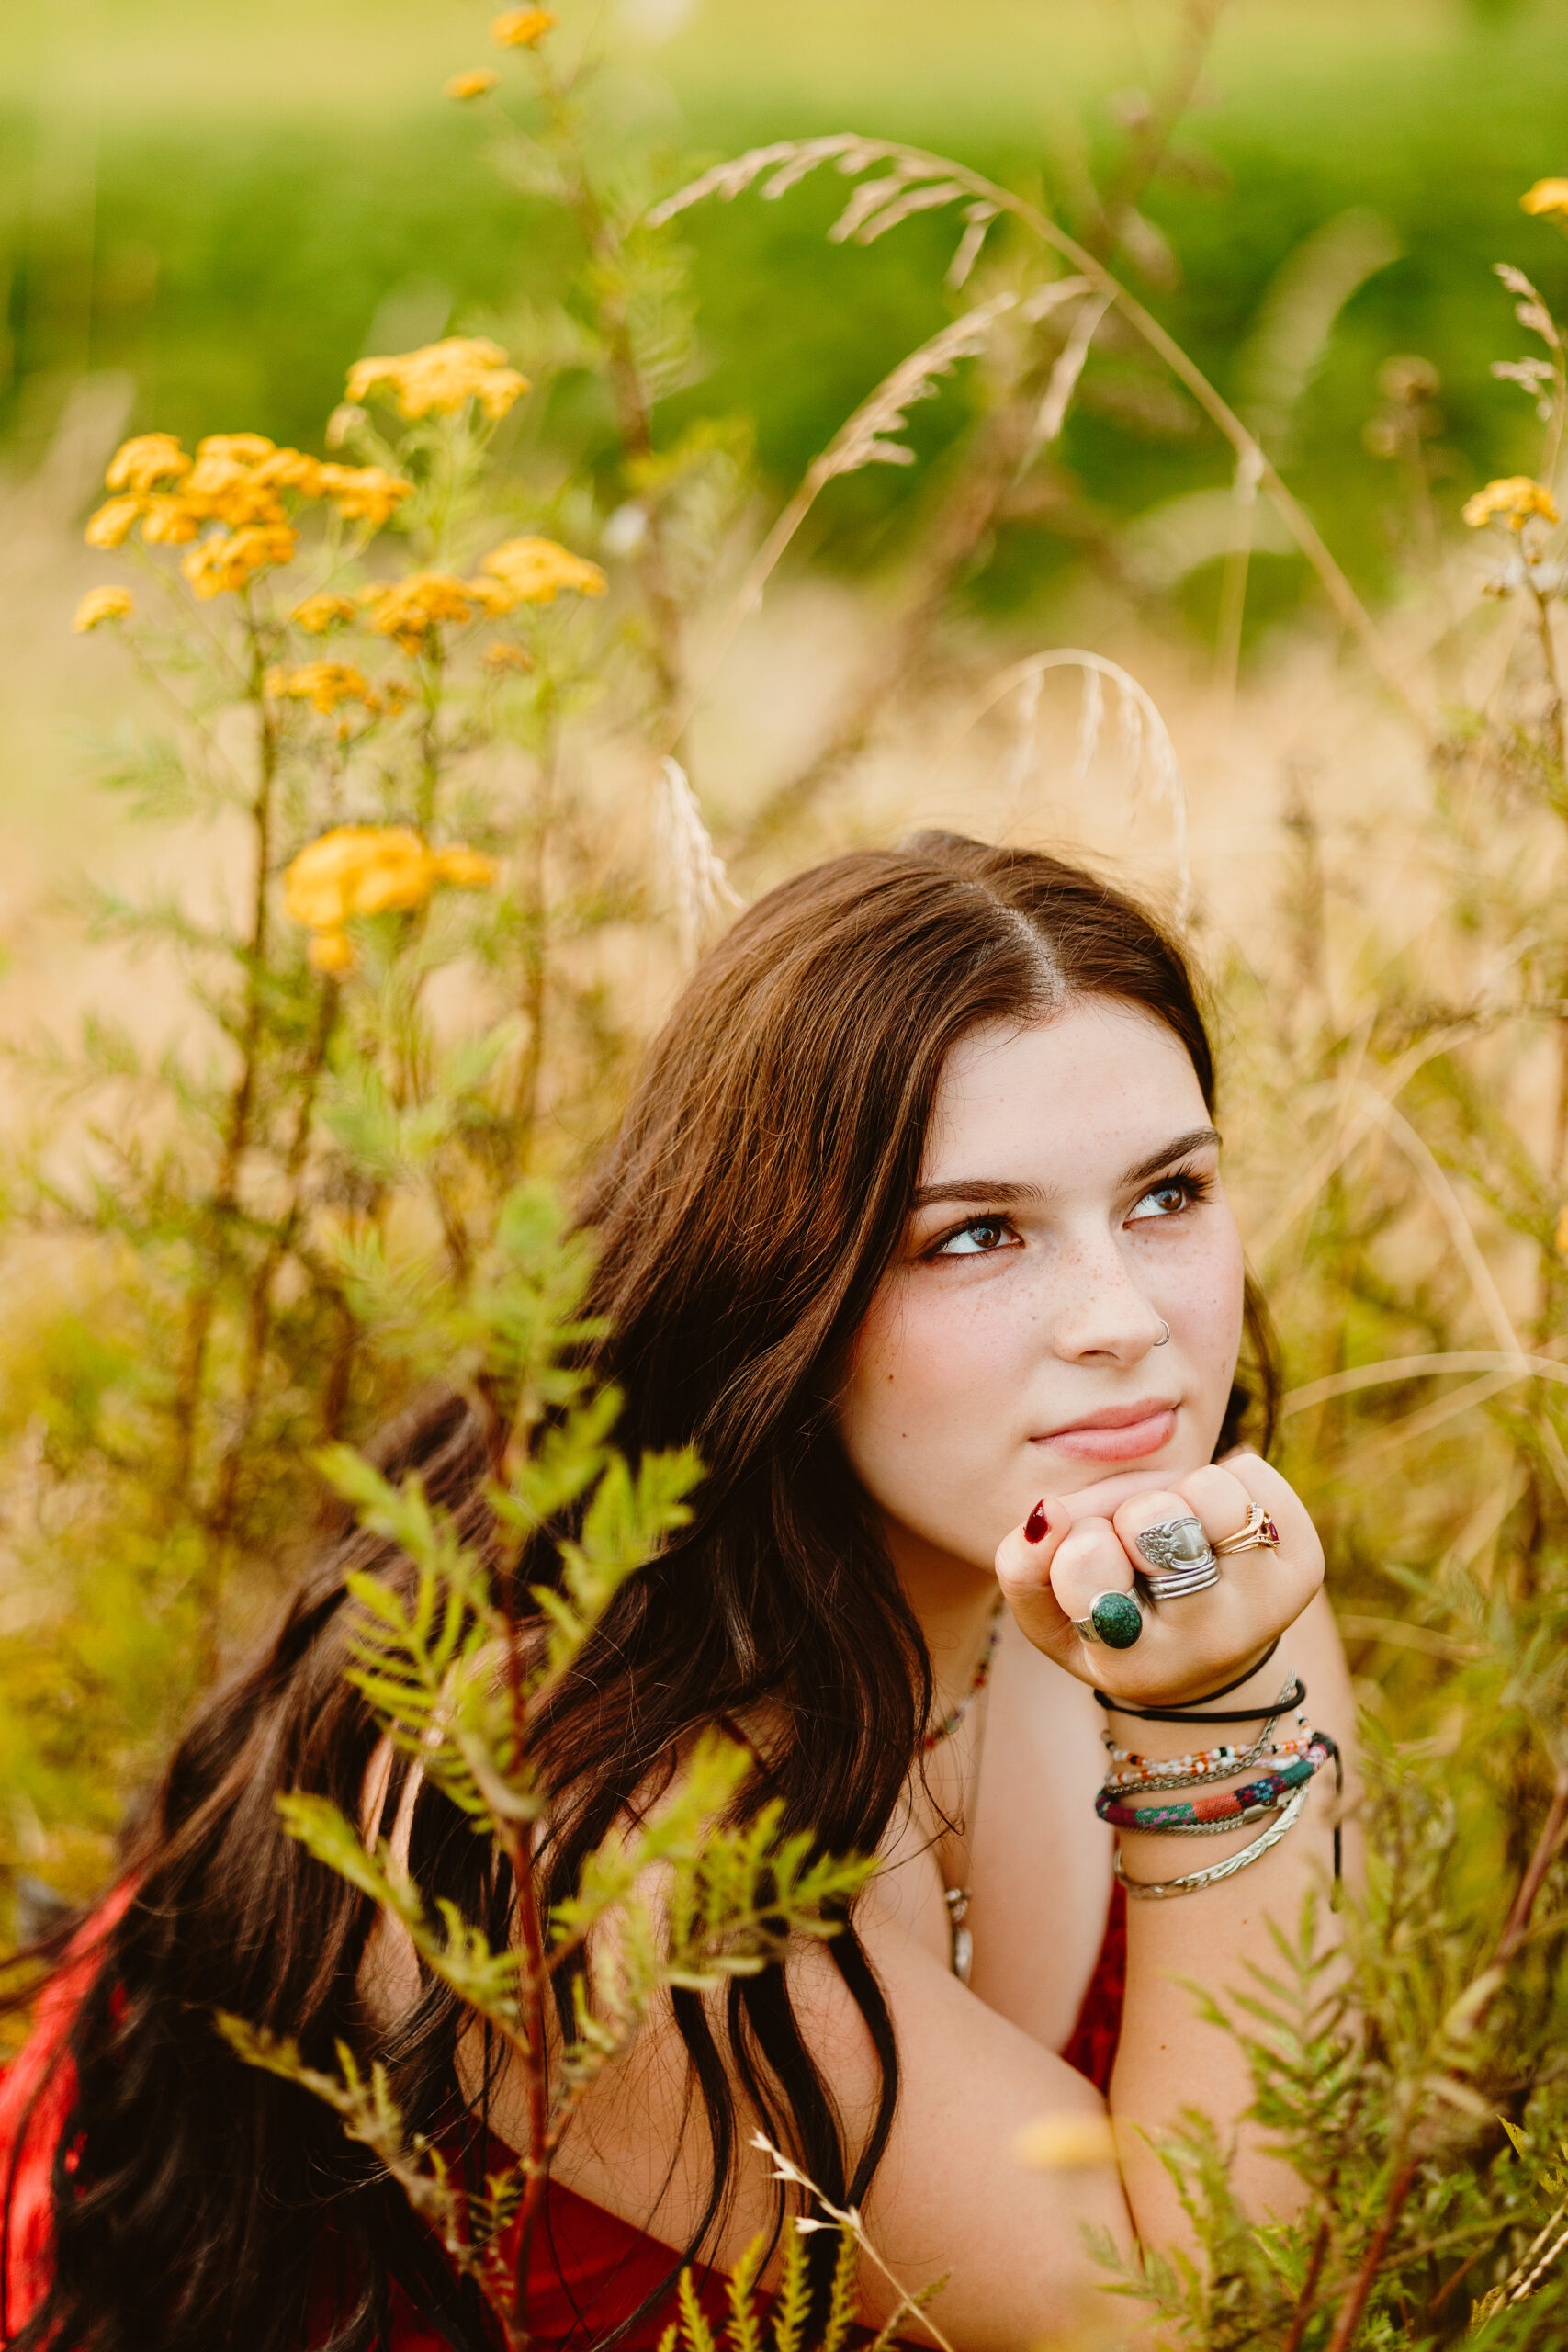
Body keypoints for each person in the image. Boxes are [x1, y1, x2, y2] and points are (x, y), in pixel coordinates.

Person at [0, 833, 1355, 2352]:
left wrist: (1217, 1698)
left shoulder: (1206, 1577)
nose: (1123, 1321)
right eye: (975, 1234)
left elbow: (1292, 2204)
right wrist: (1210, 1731)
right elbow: (1191, 2316)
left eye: (1168, 1195)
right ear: (779, 1277)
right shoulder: (563, 1791)